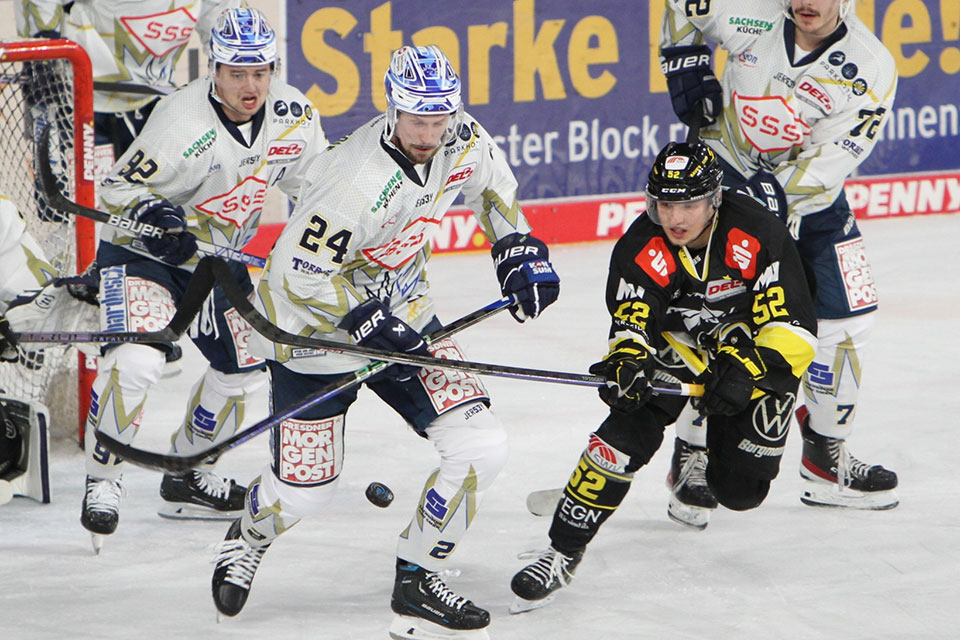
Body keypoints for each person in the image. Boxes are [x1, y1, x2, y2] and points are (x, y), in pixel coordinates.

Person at [208, 45, 560, 640]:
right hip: (313, 337)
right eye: (416, 119)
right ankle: (247, 537)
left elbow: (494, 189)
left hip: (407, 319)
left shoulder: (460, 137)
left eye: (438, 117)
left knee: (481, 446)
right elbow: (296, 276)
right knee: (304, 492)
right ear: (393, 108)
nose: (428, 132)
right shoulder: (353, 180)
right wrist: (363, 317)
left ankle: (419, 575)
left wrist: (516, 248)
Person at [509, 141, 817, 611]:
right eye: (667, 204)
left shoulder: (758, 232)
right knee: (625, 430)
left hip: (747, 347)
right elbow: (632, 319)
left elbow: (793, 328)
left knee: (739, 490)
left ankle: (694, 442)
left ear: (714, 199)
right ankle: (561, 550)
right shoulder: (642, 243)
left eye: (689, 204)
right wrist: (627, 362)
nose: (676, 217)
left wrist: (746, 371)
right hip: (680, 344)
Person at [79, 8, 326, 552]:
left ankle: (186, 475)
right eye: (236, 73)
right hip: (144, 253)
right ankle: (104, 477)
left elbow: (319, 192)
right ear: (213, 69)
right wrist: (157, 215)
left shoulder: (293, 114)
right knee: (138, 362)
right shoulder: (180, 119)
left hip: (219, 258)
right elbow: (115, 191)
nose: (250, 85)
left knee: (244, 370)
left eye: (260, 72)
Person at [658, 0, 899, 524]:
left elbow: (834, 161)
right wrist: (682, 56)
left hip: (811, 204)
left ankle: (826, 457)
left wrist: (769, 199)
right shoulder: (748, 10)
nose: (805, 3)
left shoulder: (872, 66)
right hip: (716, 192)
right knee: (709, 321)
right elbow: (682, 6)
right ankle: (692, 458)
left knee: (850, 319)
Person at [16, 0, 244, 179]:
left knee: (157, 214)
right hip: (80, 104)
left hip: (156, 106)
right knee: (83, 219)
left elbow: (229, 29)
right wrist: (44, 53)